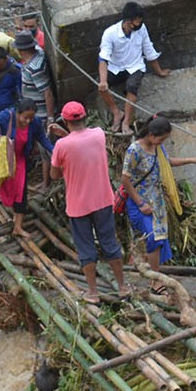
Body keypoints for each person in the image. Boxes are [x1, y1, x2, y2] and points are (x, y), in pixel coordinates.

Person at [49, 101, 125, 304]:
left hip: (78, 206)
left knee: (86, 249)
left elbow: (54, 174)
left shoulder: (61, 146)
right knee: (110, 243)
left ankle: (92, 292)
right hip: (102, 199)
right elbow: (82, 143)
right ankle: (123, 287)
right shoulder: (99, 134)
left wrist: (61, 141)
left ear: (65, 121)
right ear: (85, 116)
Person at [122, 116, 196, 290]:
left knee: (159, 239)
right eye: (161, 139)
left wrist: (191, 160)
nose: (162, 142)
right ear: (152, 134)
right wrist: (140, 204)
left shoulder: (157, 147)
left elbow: (165, 163)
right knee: (152, 238)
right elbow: (125, 180)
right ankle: (154, 279)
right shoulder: (134, 150)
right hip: (140, 202)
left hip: (157, 202)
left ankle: (154, 275)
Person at [0, 96, 53, 238]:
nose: (28, 121)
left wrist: (55, 150)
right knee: (2, 185)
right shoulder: (6, 116)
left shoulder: (35, 123)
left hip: (19, 160)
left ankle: (17, 226)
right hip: (4, 157)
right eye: (25, 117)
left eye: (31, 118)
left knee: (21, 192)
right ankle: (7, 214)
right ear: (18, 112)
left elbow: (42, 139)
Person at [96, 1, 169, 134]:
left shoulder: (141, 29)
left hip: (135, 66)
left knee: (131, 86)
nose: (137, 25)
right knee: (101, 86)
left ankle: (126, 122)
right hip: (116, 67)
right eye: (135, 22)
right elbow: (103, 58)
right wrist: (103, 81)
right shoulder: (110, 33)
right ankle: (117, 113)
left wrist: (159, 71)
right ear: (128, 20)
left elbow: (148, 49)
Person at [13, 29, 54, 119]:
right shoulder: (39, 52)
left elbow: (47, 93)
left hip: (40, 114)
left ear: (21, 50)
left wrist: (50, 118)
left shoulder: (35, 69)